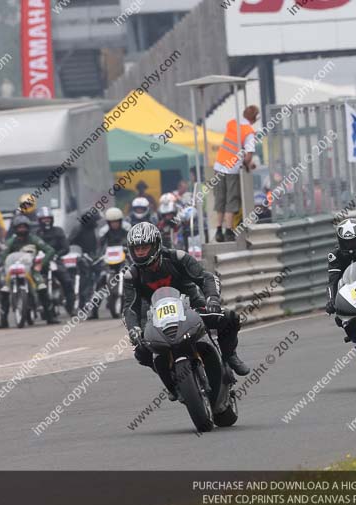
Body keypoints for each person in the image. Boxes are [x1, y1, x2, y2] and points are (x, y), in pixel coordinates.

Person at [122, 223, 250, 401]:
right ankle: (172, 380)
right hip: (155, 319)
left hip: (191, 307)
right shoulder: (131, 276)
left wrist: (212, 299)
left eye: (145, 247)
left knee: (229, 318)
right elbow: (130, 308)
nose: (141, 252)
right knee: (141, 350)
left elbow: (206, 277)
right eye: (137, 248)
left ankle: (230, 356)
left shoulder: (177, 257)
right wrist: (133, 329)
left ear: (156, 244)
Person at [0, 215, 59, 327]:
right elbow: (3, 255)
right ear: (15, 229)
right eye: (19, 227)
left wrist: (41, 264)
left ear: (28, 228)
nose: (22, 229)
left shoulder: (34, 239)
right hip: (13, 270)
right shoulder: (11, 241)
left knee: (42, 287)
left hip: (31, 270)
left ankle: (50, 316)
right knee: (4, 290)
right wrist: (2, 263)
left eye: (24, 227)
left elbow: (50, 250)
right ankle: (3, 320)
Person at [213, 105, 259, 243]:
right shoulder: (249, 132)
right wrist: (248, 165)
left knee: (220, 198)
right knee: (231, 200)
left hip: (219, 165)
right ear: (254, 118)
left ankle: (218, 230)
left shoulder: (232, 123)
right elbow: (248, 156)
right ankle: (228, 231)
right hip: (232, 168)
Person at [36, 207, 76, 316]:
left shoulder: (58, 231)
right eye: (43, 219)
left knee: (67, 281)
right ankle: (36, 306)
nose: (46, 221)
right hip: (41, 262)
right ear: (39, 221)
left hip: (55, 261)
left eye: (48, 218)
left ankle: (70, 306)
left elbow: (66, 247)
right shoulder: (36, 233)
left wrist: (57, 255)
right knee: (34, 280)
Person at [69, 210, 101, 313]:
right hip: (82, 258)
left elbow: (101, 244)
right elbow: (69, 241)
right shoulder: (78, 229)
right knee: (84, 280)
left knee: (99, 280)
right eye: (95, 220)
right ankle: (80, 302)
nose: (97, 222)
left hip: (96, 258)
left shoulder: (96, 230)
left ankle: (95, 304)